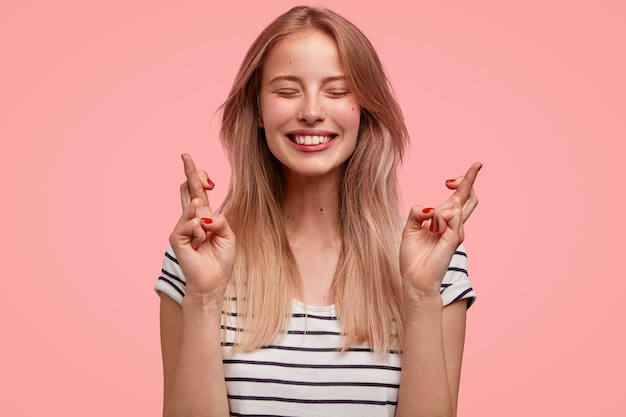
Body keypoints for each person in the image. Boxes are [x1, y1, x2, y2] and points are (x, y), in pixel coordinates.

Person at [155, 5, 481, 417]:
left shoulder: (435, 262)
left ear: (365, 108)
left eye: (338, 90)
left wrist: (419, 295)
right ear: (257, 109)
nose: (311, 111)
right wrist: (203, 297)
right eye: (287, 91)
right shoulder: (195, 258)